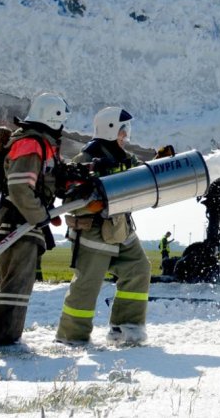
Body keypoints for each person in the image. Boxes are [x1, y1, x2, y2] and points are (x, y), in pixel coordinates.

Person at [0, 93, 68, 346]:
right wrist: (39, 216)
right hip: (20, 222)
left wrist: (46, 213)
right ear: (54, 117)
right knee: (17, 284)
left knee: (4, 279)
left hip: (18, 220)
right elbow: (19, 188)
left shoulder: (35, 142)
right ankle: (2, 339)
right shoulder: (32, 143)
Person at [55, 106, 151, 347]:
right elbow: (70, 200)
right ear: (109, 129)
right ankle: (71, 337)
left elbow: (141, 176)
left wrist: (161, 162)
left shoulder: (126, 158)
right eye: (122, 130)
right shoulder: (85, 159)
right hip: (94, 232)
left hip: (121, 228)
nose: (125, 135)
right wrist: (94, 205)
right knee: (88, 284)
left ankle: (126, 328)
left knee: (139, 268)